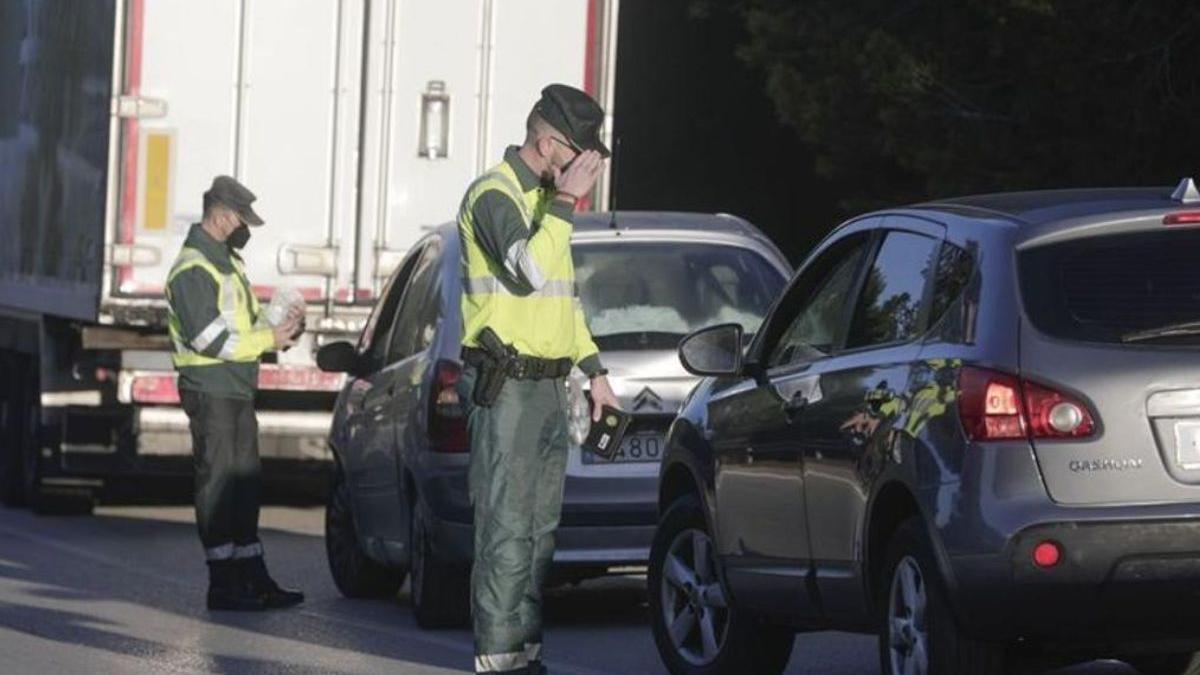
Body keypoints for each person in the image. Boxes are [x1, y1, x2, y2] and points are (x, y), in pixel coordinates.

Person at [456, 84, 621, 675]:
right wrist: (566, 204)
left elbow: (562, 303)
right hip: (506, 388)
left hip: (551, 387)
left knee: (539, 534)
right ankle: (499, 663)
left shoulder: (550, 205)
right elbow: (527, 272)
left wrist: (594, 370)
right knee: (505, 533)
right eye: (579, 154)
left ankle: (524, 655)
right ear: (548, 141)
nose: (585, 168)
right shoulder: (494, 195)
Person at [165, 175, 305, 611]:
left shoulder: (230, 262)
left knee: (244, 482)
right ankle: (223, 584)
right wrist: (266, 341)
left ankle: (253, 576)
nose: (245, 228)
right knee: (220, 483)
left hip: (237, 387)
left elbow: (243, 323)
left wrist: (280, 326)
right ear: (222, 215)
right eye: (242, 220)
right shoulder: (193, 269)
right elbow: (210, 339)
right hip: (210, 388)